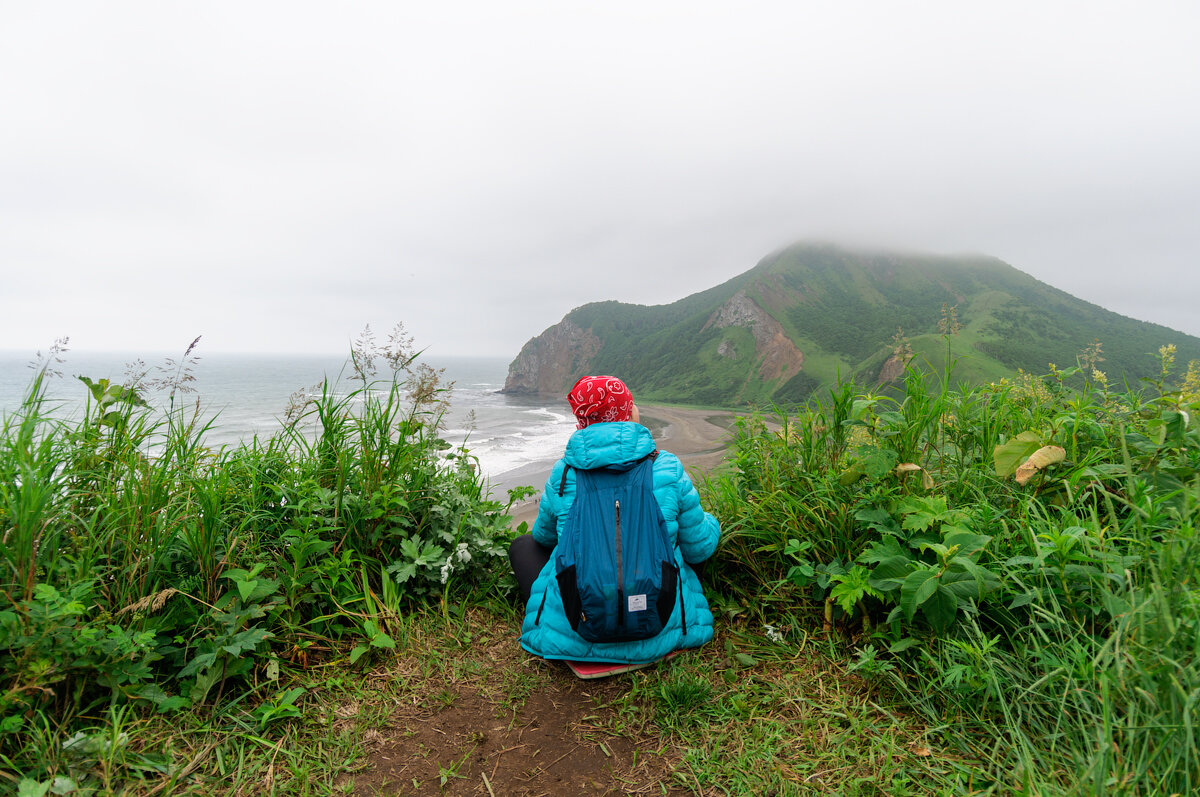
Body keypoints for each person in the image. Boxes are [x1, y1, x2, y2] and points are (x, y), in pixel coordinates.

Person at [509, 375, 721, 664]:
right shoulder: (667, 467)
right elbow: (700, 549)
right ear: (627, 412)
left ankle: (564, 626)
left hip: (579, 625)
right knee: (679, 542)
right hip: (661, 626)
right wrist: (711, 522)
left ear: (582, 420)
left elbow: (544, 538)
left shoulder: (564, 474)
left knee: (523, 546)